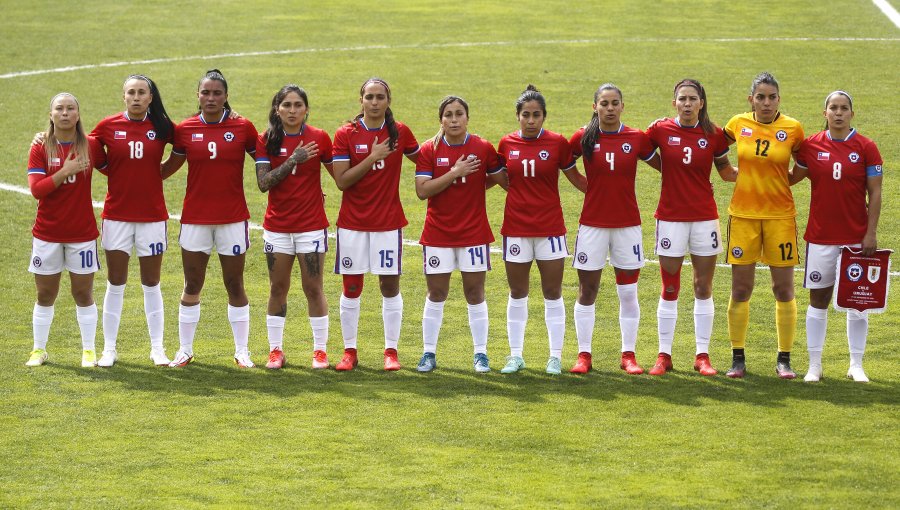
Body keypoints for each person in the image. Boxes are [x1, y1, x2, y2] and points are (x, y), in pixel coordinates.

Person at [162, 69, 259, 368]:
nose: (211, 98)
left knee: (234, 283)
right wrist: (126, 168)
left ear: (226, 96)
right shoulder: (185, 129)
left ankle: (242, 350)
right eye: (206, 92)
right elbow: (167, 169)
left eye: (217, 93)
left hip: (232, 219)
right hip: (195, 219)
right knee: (192, 284)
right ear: (198, 96)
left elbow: (269, 161)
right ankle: (185, 349)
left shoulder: (243, 127)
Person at [644, 79, 737, 376]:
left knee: (703, 286)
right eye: (682, 99)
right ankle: (664, 356)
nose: (686, 104)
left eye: (692, 99)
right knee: (670, 286)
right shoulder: (660, 130)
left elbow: (725, 171)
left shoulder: (714, 134)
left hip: (704, 219)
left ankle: (702, 355)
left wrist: (761, 171)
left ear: (701, 103)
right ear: (674, 103)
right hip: (670, 218)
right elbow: (639, 149)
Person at [792, 91, 883, 383]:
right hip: (820, 237)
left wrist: (870, 233)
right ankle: (814, 366)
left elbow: (876, 193)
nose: (839, 112)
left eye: (844, 108)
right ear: (825, 113)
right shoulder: (810, 146)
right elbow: (792, 178)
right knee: (817, 299)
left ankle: (856, 364)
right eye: (834, 108)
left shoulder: (867, 147)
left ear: (852, 114)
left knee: (857, 302)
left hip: (856, 240)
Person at [331, 77, 419, 371]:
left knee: (389, 286)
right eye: (369, 97)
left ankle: (390, 352)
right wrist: (372, 157)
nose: (374, 102)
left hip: (388, 223)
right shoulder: (346, 133)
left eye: (380, 97)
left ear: (388, 101)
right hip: (353, 224)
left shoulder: (400, 132)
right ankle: (349, 351)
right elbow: (342, 181)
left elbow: (425, 158)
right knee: (352, 286)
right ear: (361, 101)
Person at [497, 85, 587, 375]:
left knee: (552, 291)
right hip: (516, 228)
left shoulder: (558, 144)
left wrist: (605, 192)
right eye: (526, 115)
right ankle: (515, 355)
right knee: (517, 291)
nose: (531, 120)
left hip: (550, 228)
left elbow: (576, 178)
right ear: (518, 116)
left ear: (544, 116)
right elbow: (498, 177)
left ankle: (555, 357)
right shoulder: (506, 144)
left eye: (536, 115)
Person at [413, 95, 505, 373]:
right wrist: (455, 172)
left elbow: (502, 180)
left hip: (474, 234)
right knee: (436, 292)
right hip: (438, 235)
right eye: (448, 115)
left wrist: (473, 181)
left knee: (475, 292)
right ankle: (428, 353)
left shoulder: (482, 147)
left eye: (459, 114)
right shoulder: (430, 149)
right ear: (440, 120)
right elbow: (422, 191)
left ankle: (481, 354)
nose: (454, 120)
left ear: (467, 118)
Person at [568, 83, 655, 375]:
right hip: (592, 226)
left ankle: (628, 355)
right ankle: (583, 355)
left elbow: (664, 163)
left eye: (614, 103)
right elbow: (564, 161)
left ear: (622, 106)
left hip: (627, 226)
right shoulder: (583, 136)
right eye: (604, 103)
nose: (609, 108)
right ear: (595, 107)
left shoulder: (635, 138)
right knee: (587, 289)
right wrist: (585, 186)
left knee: (628, 292)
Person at [722, 72, 804, 379]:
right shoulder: (737, 124)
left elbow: (805, 161)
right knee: (741, 288)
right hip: (743, 217)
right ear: (751, 100)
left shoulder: (793, 128)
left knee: (782, 289)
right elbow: (714, 145)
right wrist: (727, 170)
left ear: (778, 100)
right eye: (761, 97)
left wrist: (787, 181)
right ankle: (737, 358)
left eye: (771, 97)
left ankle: (784, 359)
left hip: (781, 218)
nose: (766, 103)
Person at [89, 74, 175, 367]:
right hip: (116, 217)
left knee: (151, 283)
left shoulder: (162, 126)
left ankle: (157, 349)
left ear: (151, 98)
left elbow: (185, 144)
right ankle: (109, 349)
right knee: (116, 282)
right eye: (131, 93)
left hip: (152, 218)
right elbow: (87, 145)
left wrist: (158, 173)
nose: (136, 97)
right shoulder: (108, 125)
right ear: (123, 96)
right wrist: (109, 170)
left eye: (142, 93)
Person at [255, 84, 333, 370]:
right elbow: (263, 183)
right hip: (277, 227)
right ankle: (275, 350)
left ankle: (320, 351)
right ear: (277, 109)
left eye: (297, 105)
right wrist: (292, 161)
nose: (292, 110)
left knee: (313, 287)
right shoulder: (266, 140)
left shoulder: (319, 138)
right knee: (278, 287)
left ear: (306, 109)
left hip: (311, 226)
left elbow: (341, 175)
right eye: (286, 105)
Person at [25, 93, 106, 367]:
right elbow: (37, 190)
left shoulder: (91, 145)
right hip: (47, 234)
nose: (65, 113)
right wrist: (66, 170)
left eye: (71, 108)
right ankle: (39, 349)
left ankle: (88, 350)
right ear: (51, 115)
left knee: (83, 294)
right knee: (45, 294)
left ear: (78, 114)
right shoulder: (40, 147)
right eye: (59, 108)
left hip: (82, 235)